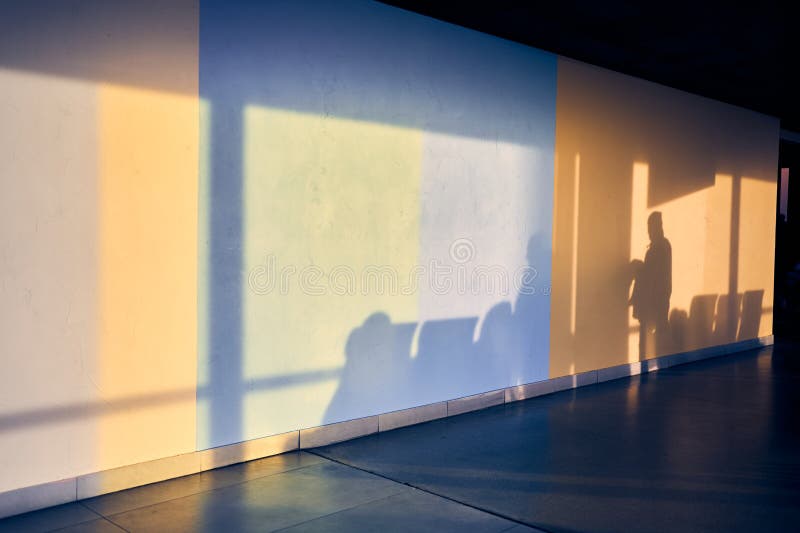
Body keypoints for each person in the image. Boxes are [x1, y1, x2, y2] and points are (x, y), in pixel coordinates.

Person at [629, 212, 671, 359]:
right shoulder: (663, 246)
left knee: (647, 343)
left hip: (652, 304)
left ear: (657, 227)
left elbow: (652, 277)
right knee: (654, 342)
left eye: (650, 228)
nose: (648, 232)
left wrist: (639, 269)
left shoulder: (657, 248)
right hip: (658, 303)